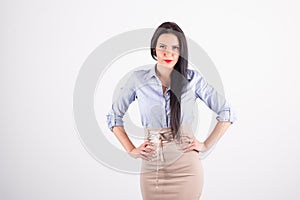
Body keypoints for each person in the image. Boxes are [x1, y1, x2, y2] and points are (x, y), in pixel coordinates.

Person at [106, 22, 237, 200]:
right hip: (153, 169)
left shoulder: (193, 80)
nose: (168, 53)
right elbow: (114, 117)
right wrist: (131, 149)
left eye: (175, 47)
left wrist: (205, 145)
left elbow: (226, 112)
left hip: (186, 169)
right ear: (154, 49)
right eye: (162, 47)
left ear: (181, 51)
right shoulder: (138, 80)